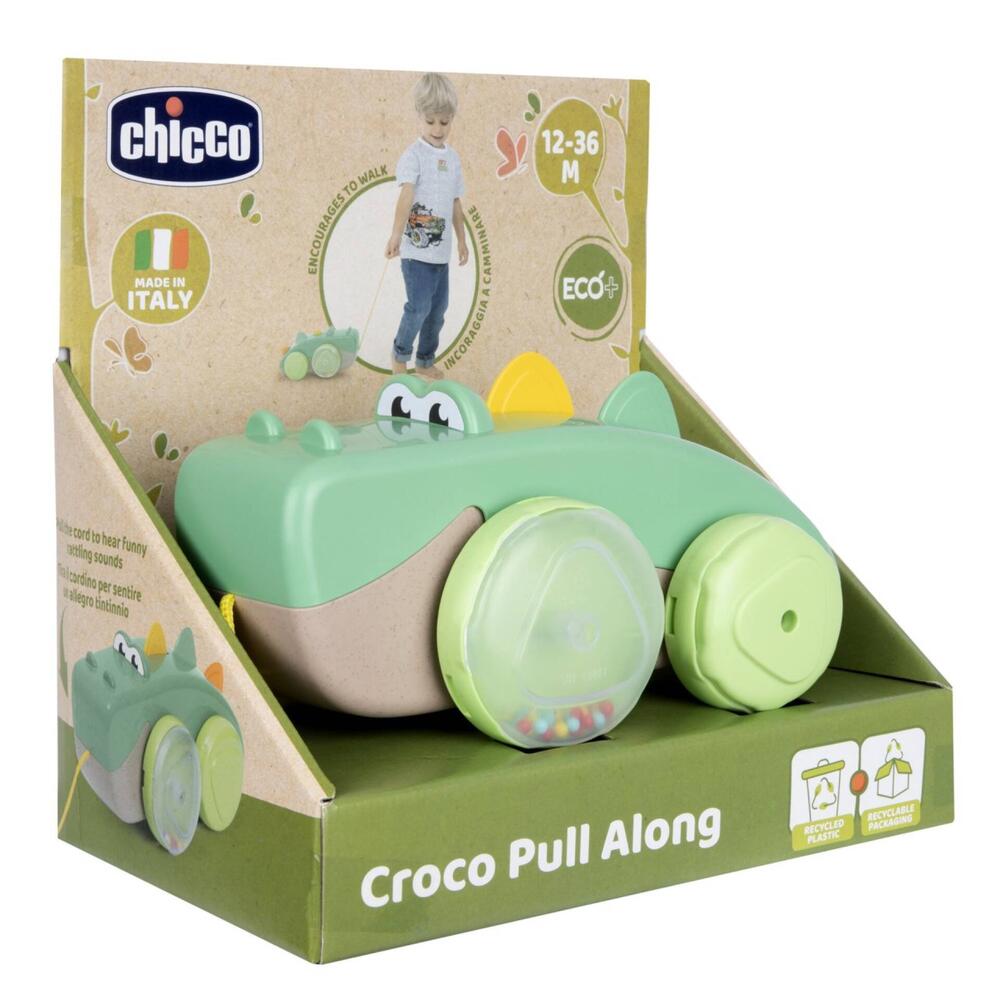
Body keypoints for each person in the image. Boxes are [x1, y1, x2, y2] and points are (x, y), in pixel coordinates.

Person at [385, 73, 469, 380]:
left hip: (441, 255)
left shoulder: (453, 159)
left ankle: (424, 360)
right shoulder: (414, 156)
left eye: (444, 122)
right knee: (418, 307)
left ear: (452, 119)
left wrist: (462, 240)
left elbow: (455, 203)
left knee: (437, 311)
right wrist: (395, 235)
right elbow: (406, 196)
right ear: (419, 116)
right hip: (416, 254)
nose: (437, 129)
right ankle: (400, 355)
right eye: (431, 121)